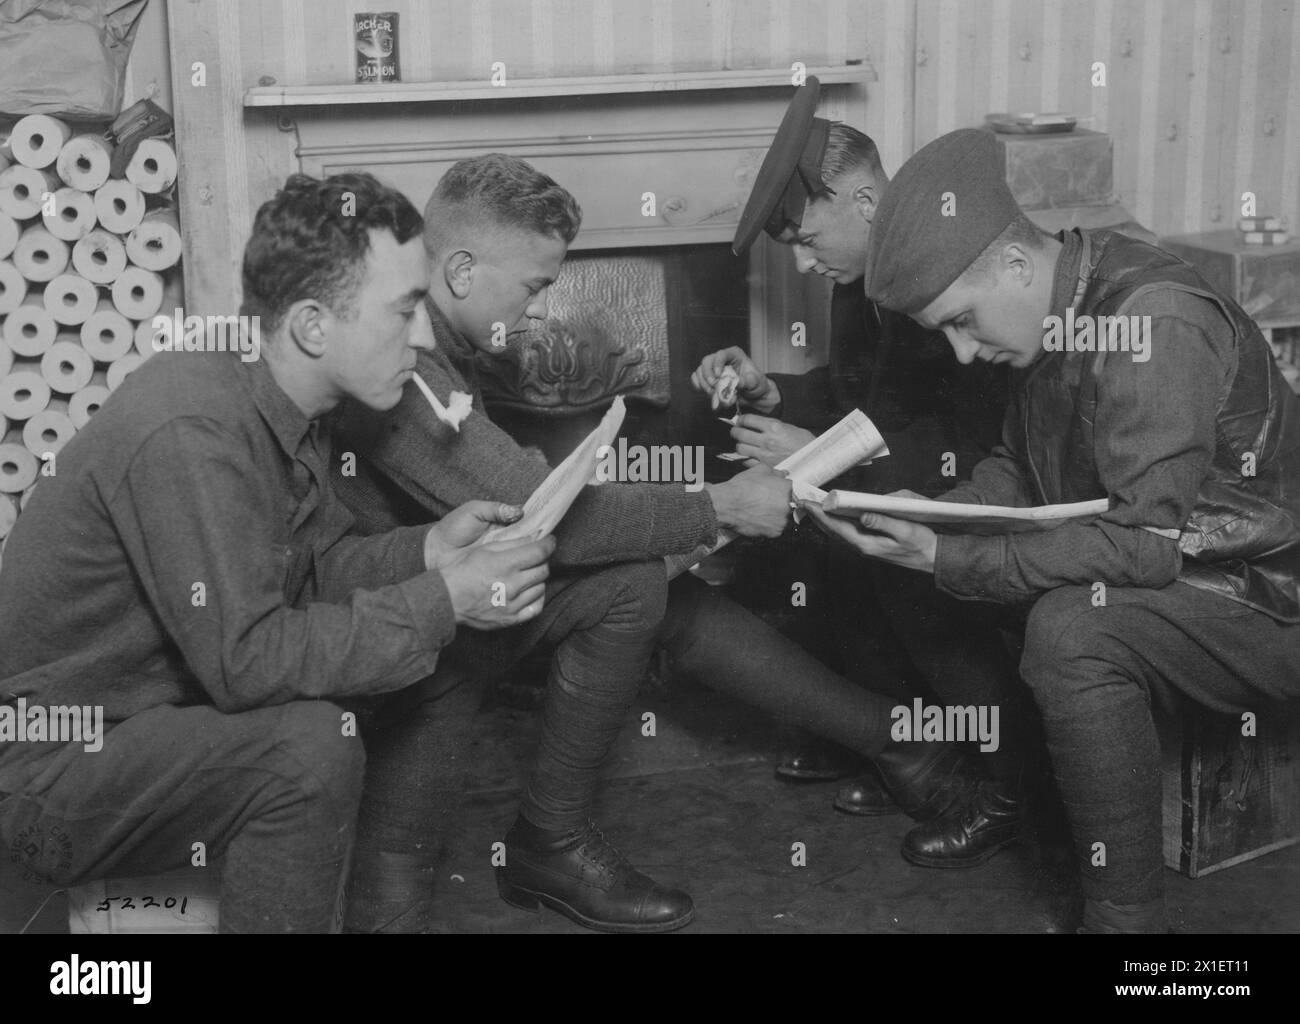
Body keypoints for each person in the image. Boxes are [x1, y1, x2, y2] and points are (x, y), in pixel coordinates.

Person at [330, 153, 975, 933]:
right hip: (396, 627)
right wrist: (720, 507)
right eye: (534, 288)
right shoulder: (396, 365)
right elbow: (545, 512)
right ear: (460, 270)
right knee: (393, 874)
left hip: (450, 595)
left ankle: (889, 742)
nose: (538, 312)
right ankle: (897, 742)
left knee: (640, 582)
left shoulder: (433, 335)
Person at [0, 172, 554, 932]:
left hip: (148, 725)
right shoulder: (193, 430)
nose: (424, 337)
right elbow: (247, 662)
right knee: (308, 749)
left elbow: (311, 573)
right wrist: (445, 602)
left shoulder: (290, 400)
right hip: (46, 777)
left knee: (387, 678)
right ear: (312, 326)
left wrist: (429, 553)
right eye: (403, 311)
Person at [815, 126, 1300, 932]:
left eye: (965, 321)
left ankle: (1126, 930)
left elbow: (1143, 548)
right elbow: (1018, 466)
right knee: (933, 569)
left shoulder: (1153, 320)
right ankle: (1012, 792)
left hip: (1267, 592)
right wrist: (923, 514)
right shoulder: (1064, 297)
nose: (964, 354)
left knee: (1075, 631)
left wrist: (949, 557)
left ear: (1013, 262)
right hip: (1193, 571)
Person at [691, 78, 1013, 818]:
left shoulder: (940, 270)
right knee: (803, 543)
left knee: (865, 557)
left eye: (807, 240)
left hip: (977, 490)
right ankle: (889, 739)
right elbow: (864, 400)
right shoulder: (864, 271)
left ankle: (994, 790)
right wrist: (773, 394)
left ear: (865, 204)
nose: (804, 263)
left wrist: (824, 452)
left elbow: (972, 447)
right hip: (906, 476)